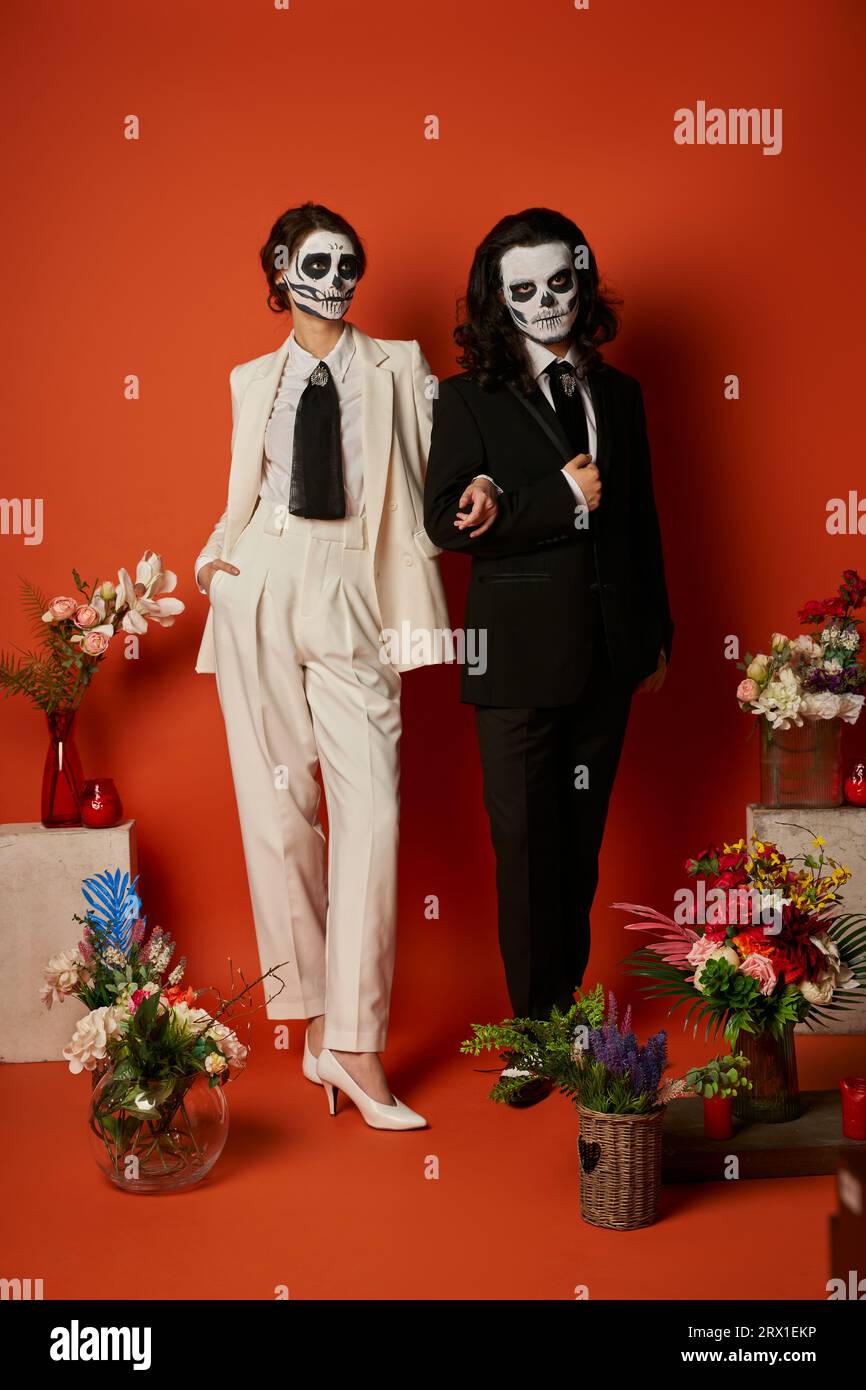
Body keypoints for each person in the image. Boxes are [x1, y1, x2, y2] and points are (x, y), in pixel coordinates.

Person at [194, 202, 449, 1129]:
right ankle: (311, 1028)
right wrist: (211, 564)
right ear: (280, 268)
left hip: (353, 588)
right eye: (318, 262)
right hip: (259, 585)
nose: (337, 278)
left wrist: (499, 495)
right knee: (279, 813)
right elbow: (240, 494)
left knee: (370, 810)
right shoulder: (249, 378)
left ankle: (356, 1043)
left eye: (350, 264)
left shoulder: (400, 367)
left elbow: (439, 472)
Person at [424, 207, 673, 1105]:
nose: (542, 303)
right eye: (519, 291)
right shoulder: (463, 399)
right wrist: (553, 498)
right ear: (498, 299)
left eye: (557, 284)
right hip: (517, 664)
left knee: (577, 848)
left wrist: (657, 630)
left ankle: (564, 1014)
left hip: (609, 657)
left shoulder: (624, 394)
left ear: (583, 278)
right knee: (526, 852)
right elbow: (446, 522)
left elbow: (641, 519)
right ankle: (533, 1038)